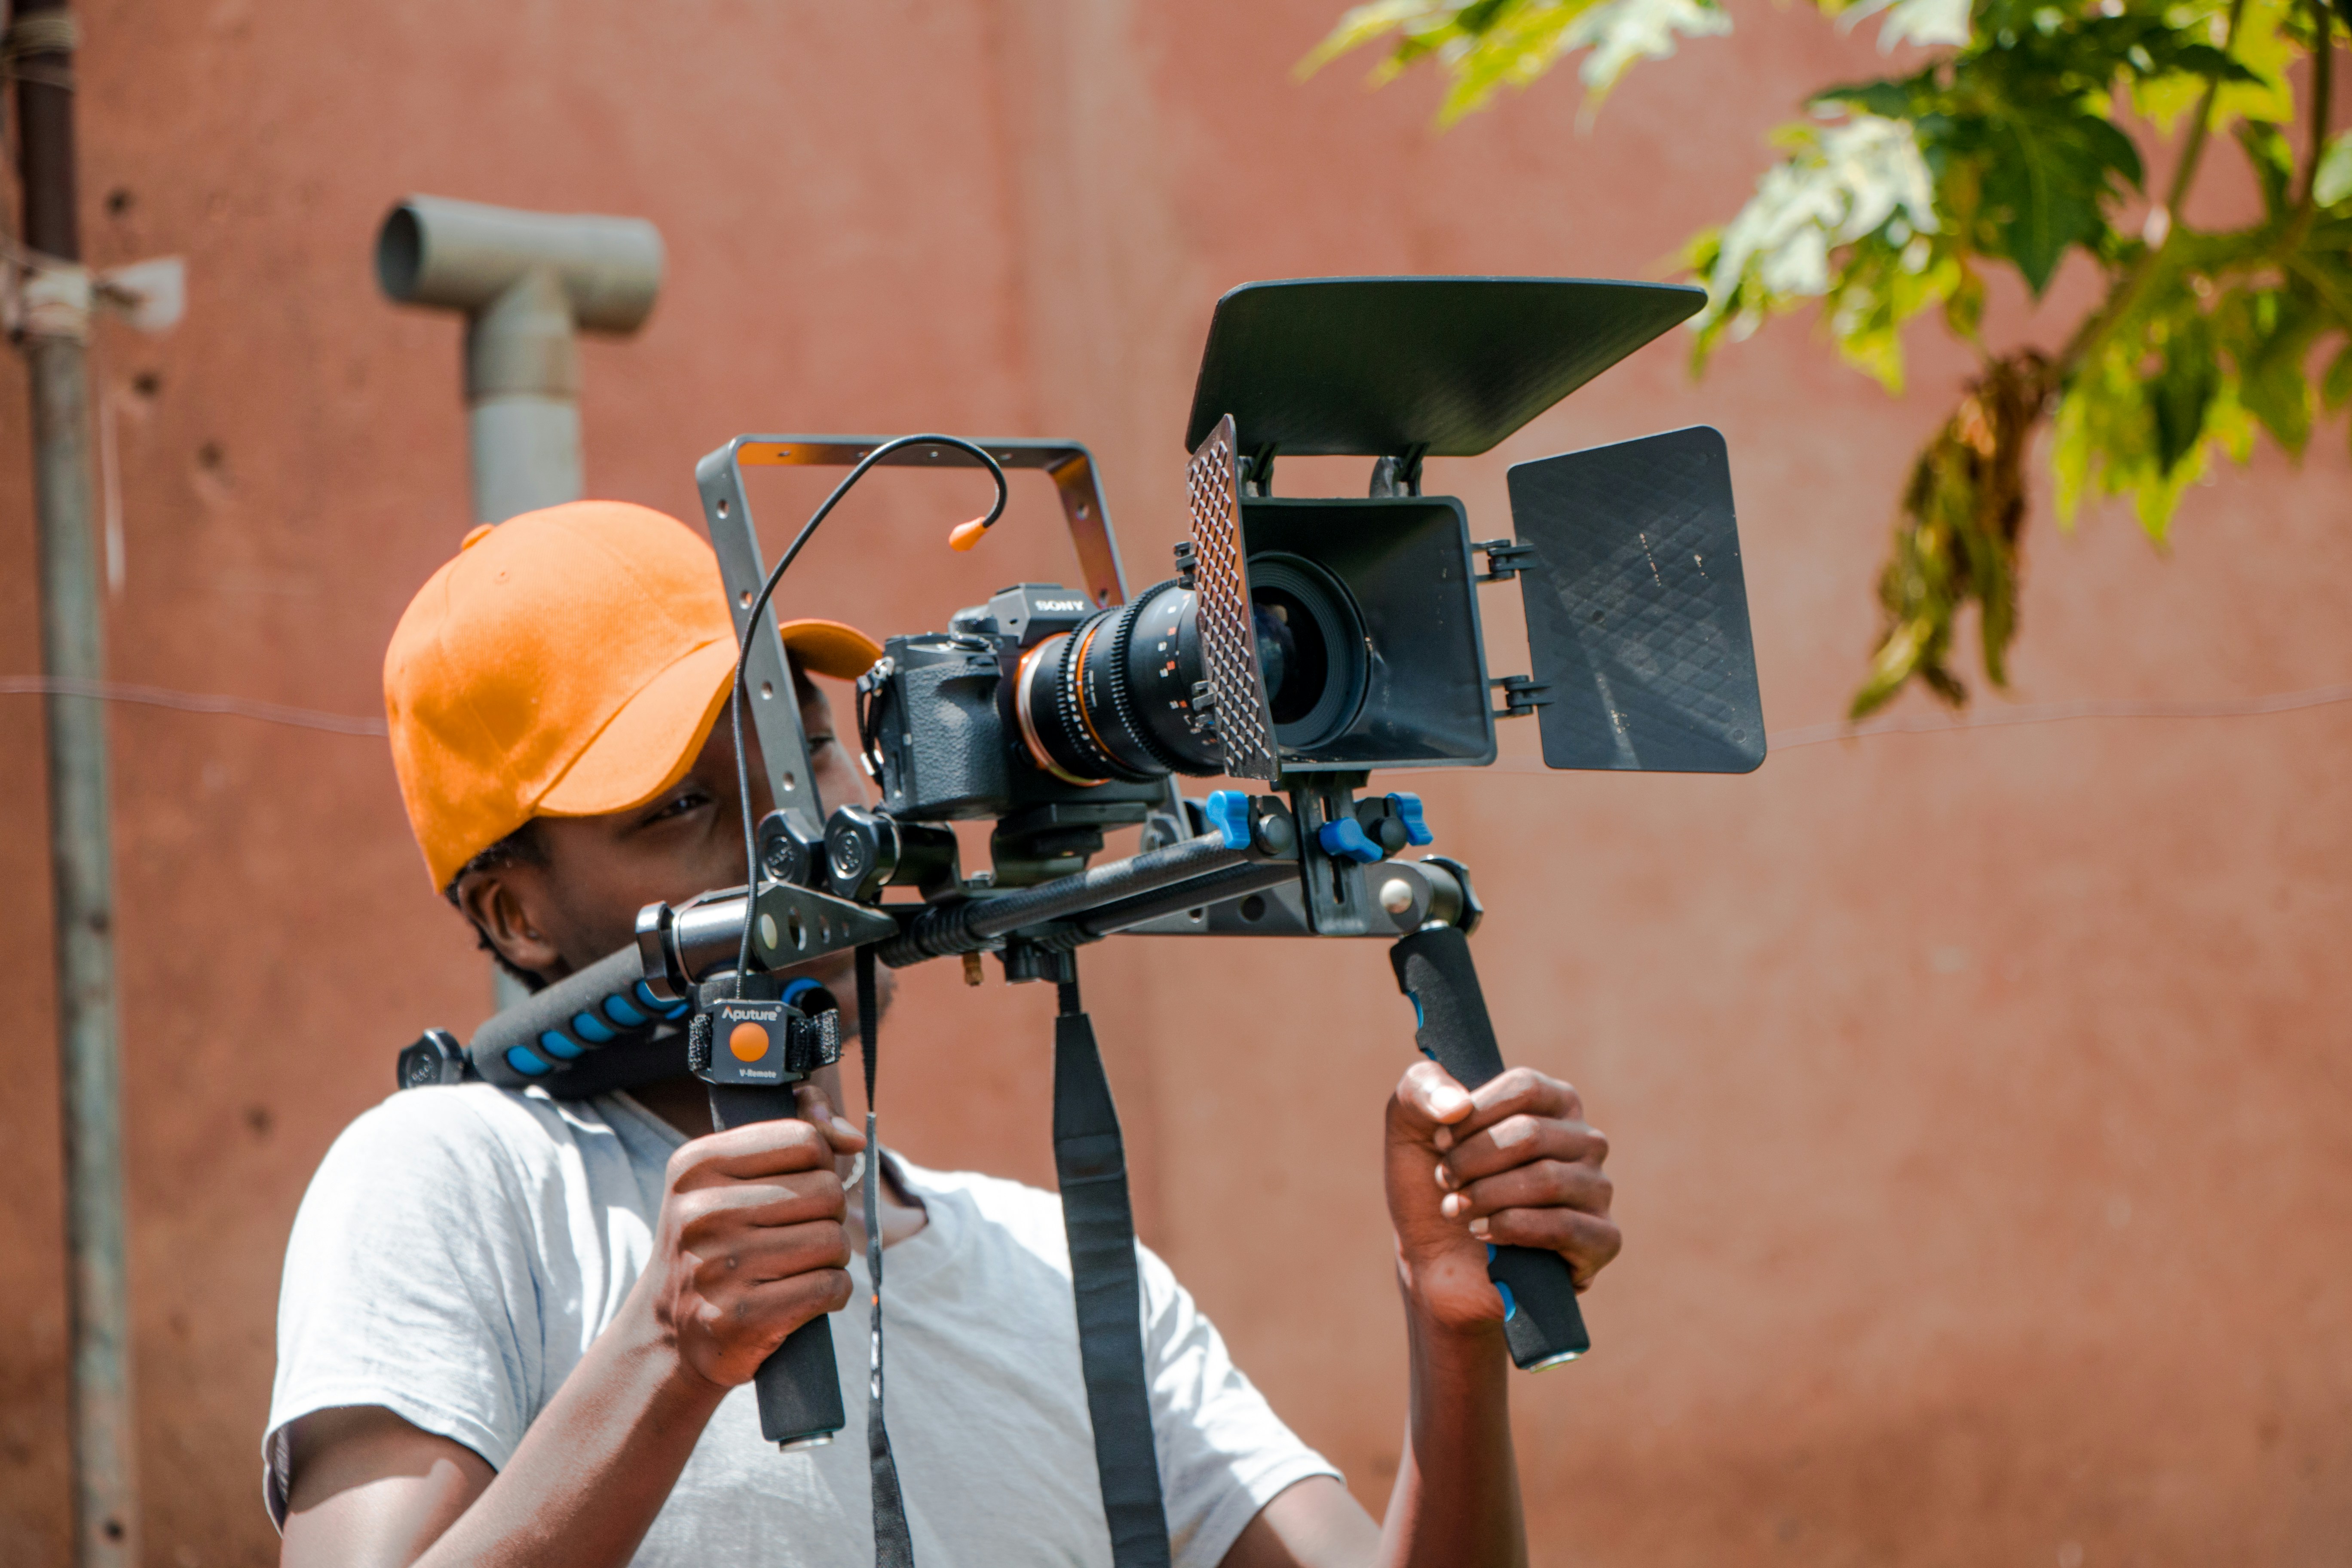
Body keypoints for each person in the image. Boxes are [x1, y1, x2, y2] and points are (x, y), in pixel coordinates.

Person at [266, 500, 1620, 1568]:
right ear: (515, 914)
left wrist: (1451, 1324)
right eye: (682, 805)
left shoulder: (1061, 1266)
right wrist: (668, 1363)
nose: (798, 833)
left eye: (804, 755)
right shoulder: (458, 1174)